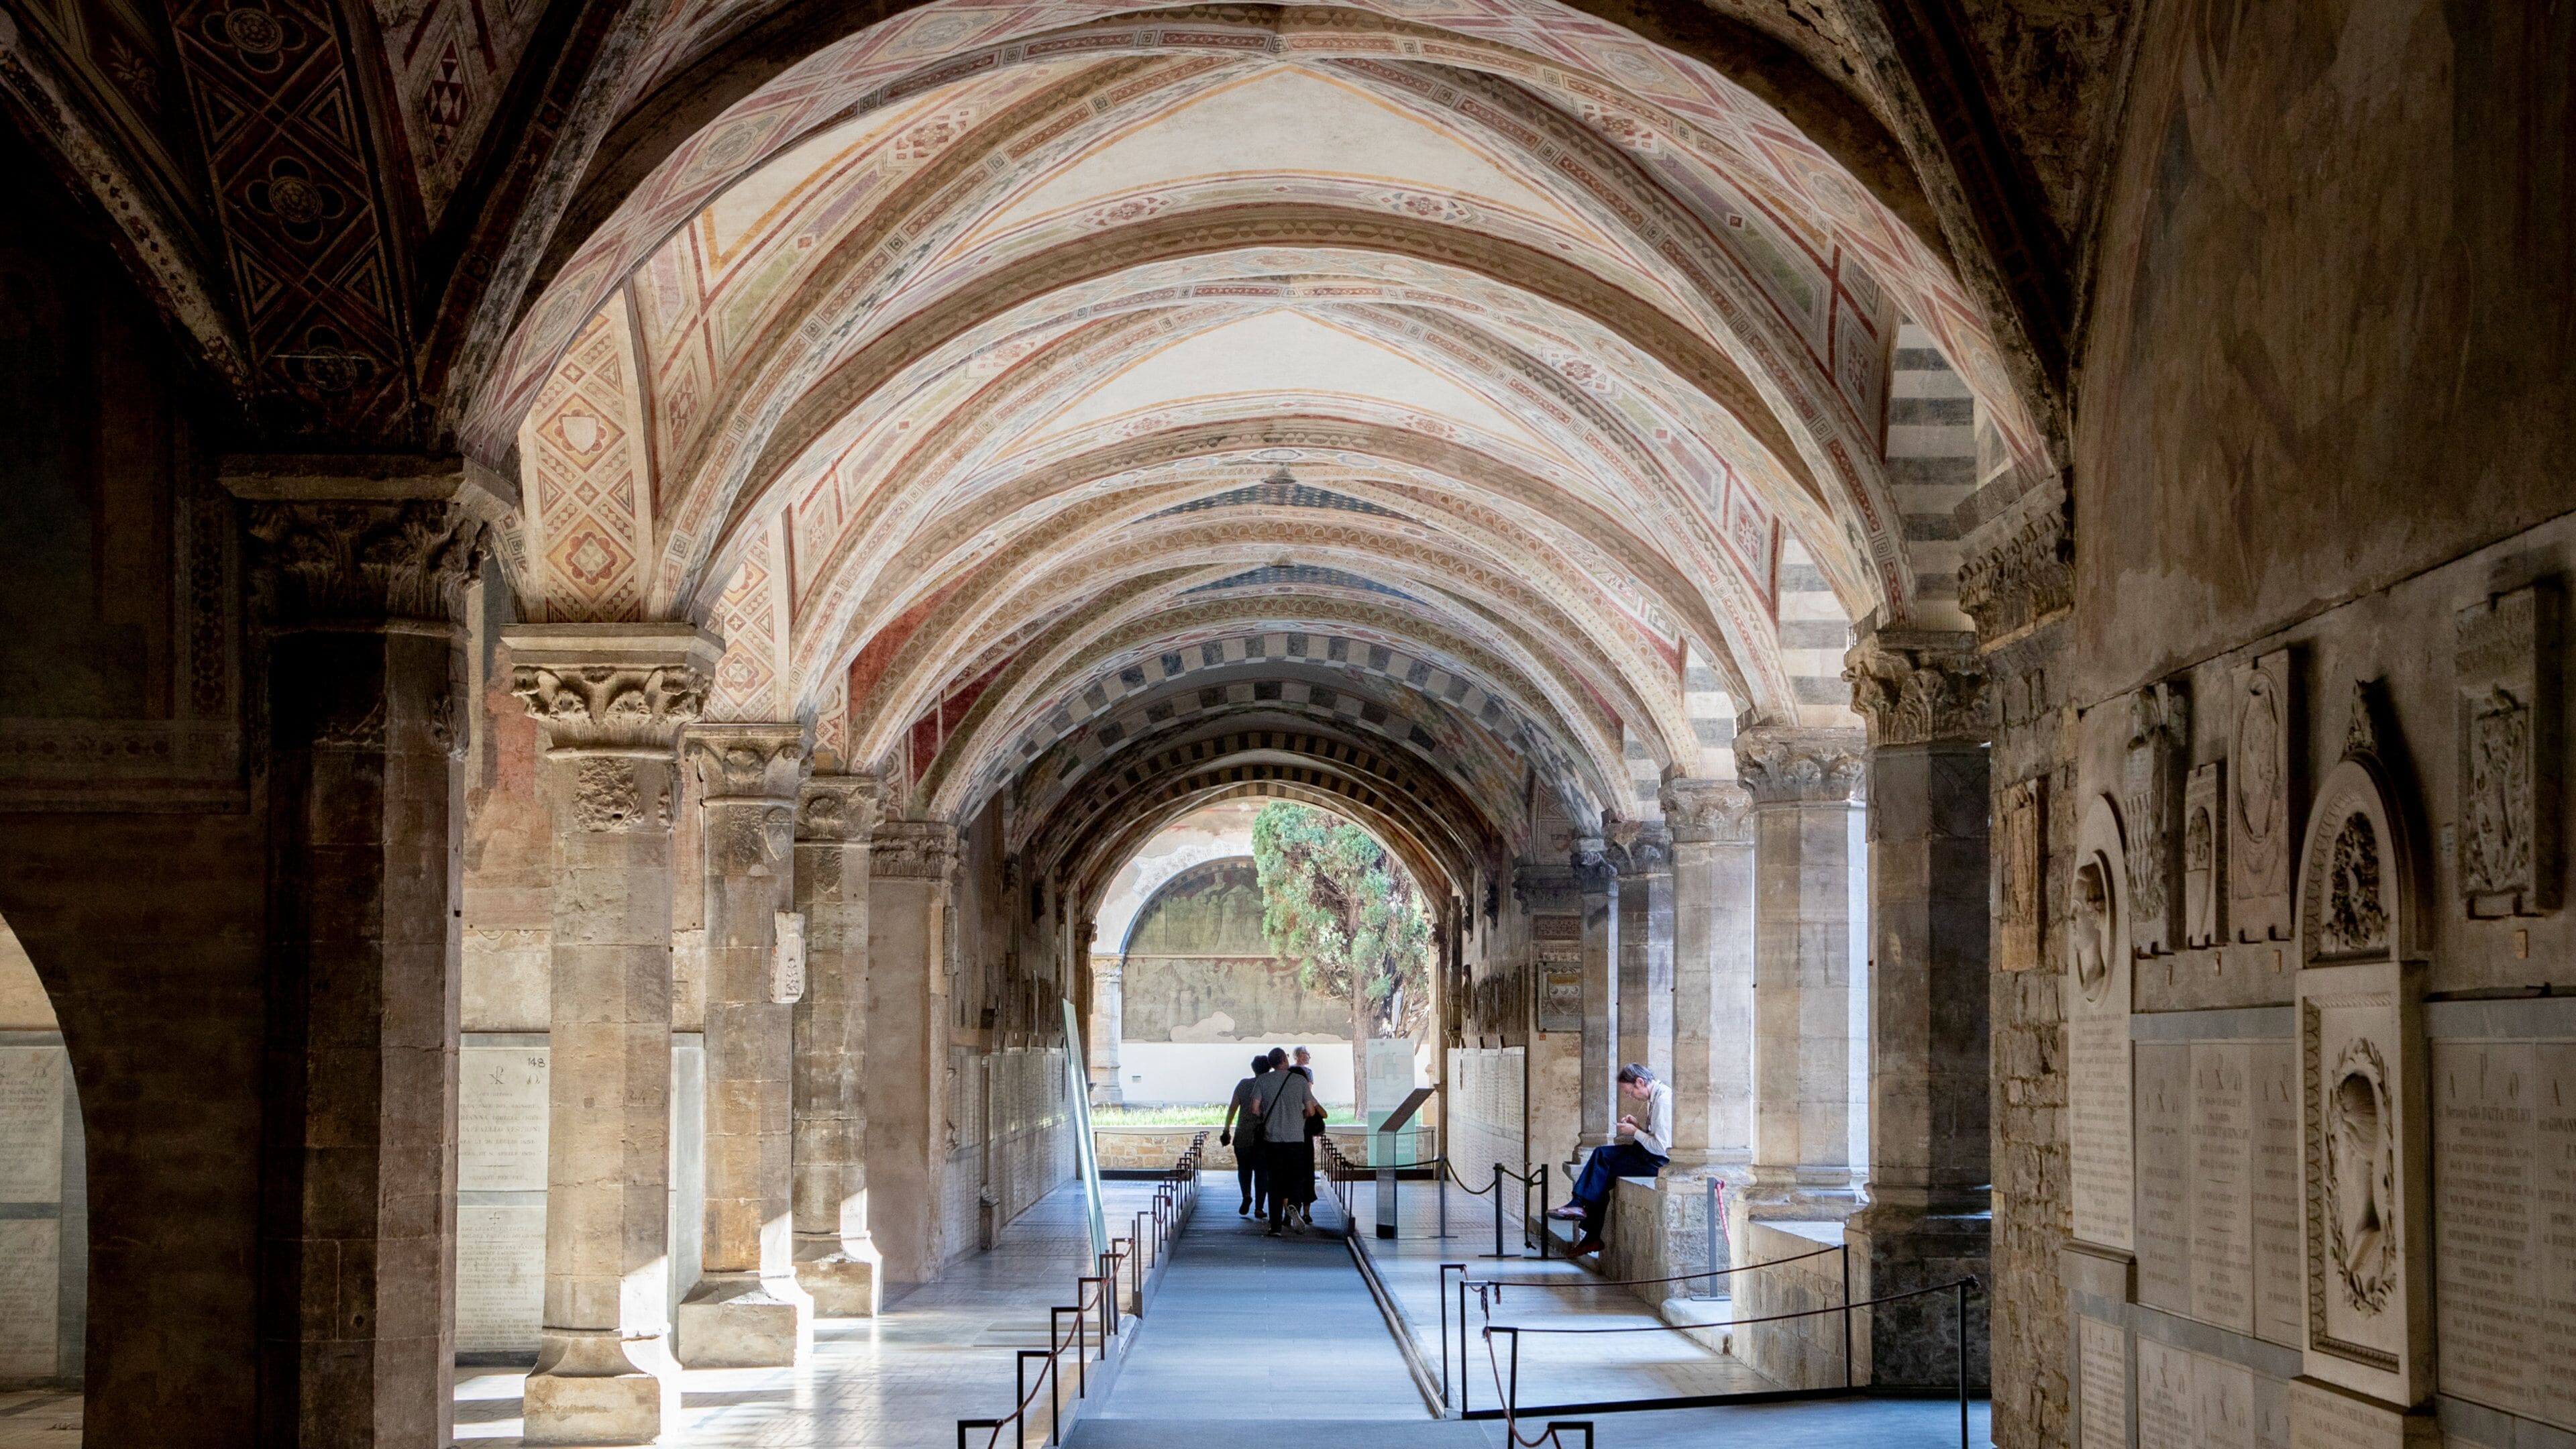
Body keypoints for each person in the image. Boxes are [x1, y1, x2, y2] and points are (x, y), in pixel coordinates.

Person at [1547, 1063, 1670, 1256]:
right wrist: (1639, 1127)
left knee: (1602, 1161)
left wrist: (1636, 1132)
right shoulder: (1656, 1099)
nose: (1631, 1097)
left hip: (1656, 1162)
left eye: (1630, 1093)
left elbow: (1662, 1147)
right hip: (1648, 1154)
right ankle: (1591, 1234)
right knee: (1601, 1163)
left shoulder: (1663, 1100)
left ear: (1640, 1082)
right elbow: (1657, 1137)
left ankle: (1581, 1211)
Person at [1252, 1045, 1323, 1236]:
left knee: (1274, 1181)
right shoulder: (1300, 1081)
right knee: (1296, 1178)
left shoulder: (1263, 1081)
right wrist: (1297, 1116)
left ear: (1271, 1063)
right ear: (1285, 1060)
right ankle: (1293, 1206)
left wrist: (1267, 1115)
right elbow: (1311, 1111)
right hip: (1296, 1138)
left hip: (1272, 1138)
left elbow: (1255, 1109)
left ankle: (1275, 1226)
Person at [1222, 1053, 1273, 1217]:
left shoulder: (1243, 1085)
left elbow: (1232, 1108)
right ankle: (1259, 1208)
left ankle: (1246, 1195)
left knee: (1244, 1168)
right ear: (1270, 1068)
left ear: (1253, 1068)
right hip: (1263, 1136)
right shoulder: (1271, 1086)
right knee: (1262, 1172)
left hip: (1243, 1133)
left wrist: (1226, 1130)